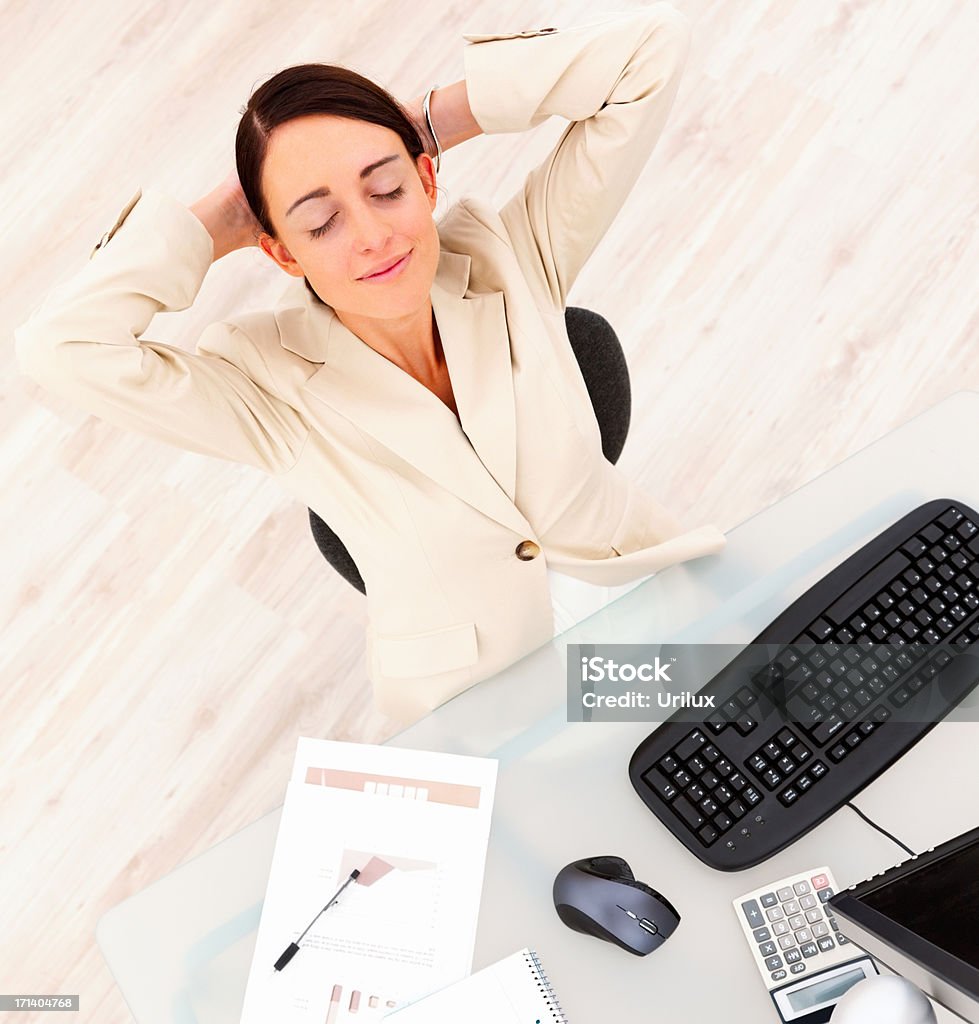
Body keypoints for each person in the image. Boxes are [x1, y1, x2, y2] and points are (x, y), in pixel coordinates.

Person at [14, 5, 726, 722]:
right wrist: (217, 223)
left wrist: (425, 122)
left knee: (770, 789)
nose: (373, 236)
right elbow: (61, 348)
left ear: (426, 181)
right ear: (281, 252)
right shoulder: (269, 391)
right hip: (487, 720)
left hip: (669, 640)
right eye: (319, 223)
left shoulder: (511, 260)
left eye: (387, 189)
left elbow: (649, 53)